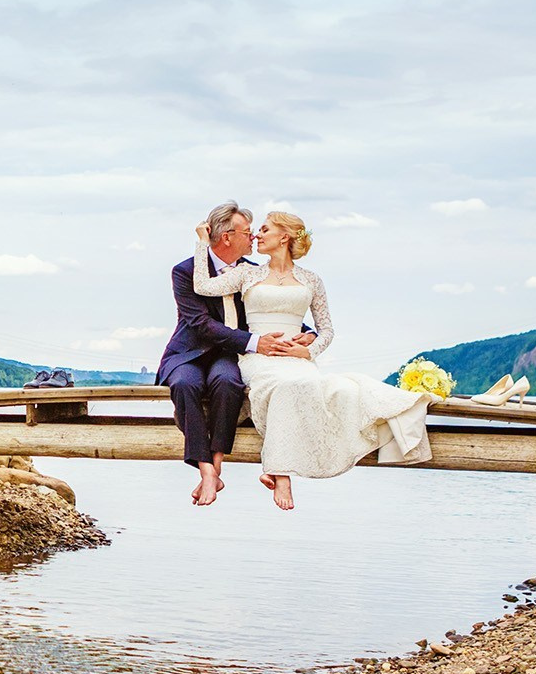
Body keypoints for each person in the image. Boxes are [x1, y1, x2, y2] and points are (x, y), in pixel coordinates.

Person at [189, 211, 432, 510]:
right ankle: (280, 474)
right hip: (258, 357)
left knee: (331, 389)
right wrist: (202, 243)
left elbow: (326, 329)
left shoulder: (311, 280)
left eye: (265, 230)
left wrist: (309, 350)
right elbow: (202, 286)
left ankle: (279, 467)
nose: (257, 235)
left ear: (284, 237)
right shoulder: (246, 274)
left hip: (297, 359)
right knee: (282, 385)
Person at [155, 202, 304, 507]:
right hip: (189, 351)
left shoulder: (252, 271)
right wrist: (254, 341)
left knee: (228, 384)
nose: (253, 238)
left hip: (230, 355)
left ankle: (218, 463)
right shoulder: (185, 271)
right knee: (185, 385)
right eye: (248, 232)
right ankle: (206, 470)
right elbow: (200, 324)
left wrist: (309, 333)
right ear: (226, 237)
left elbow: (275, 308)